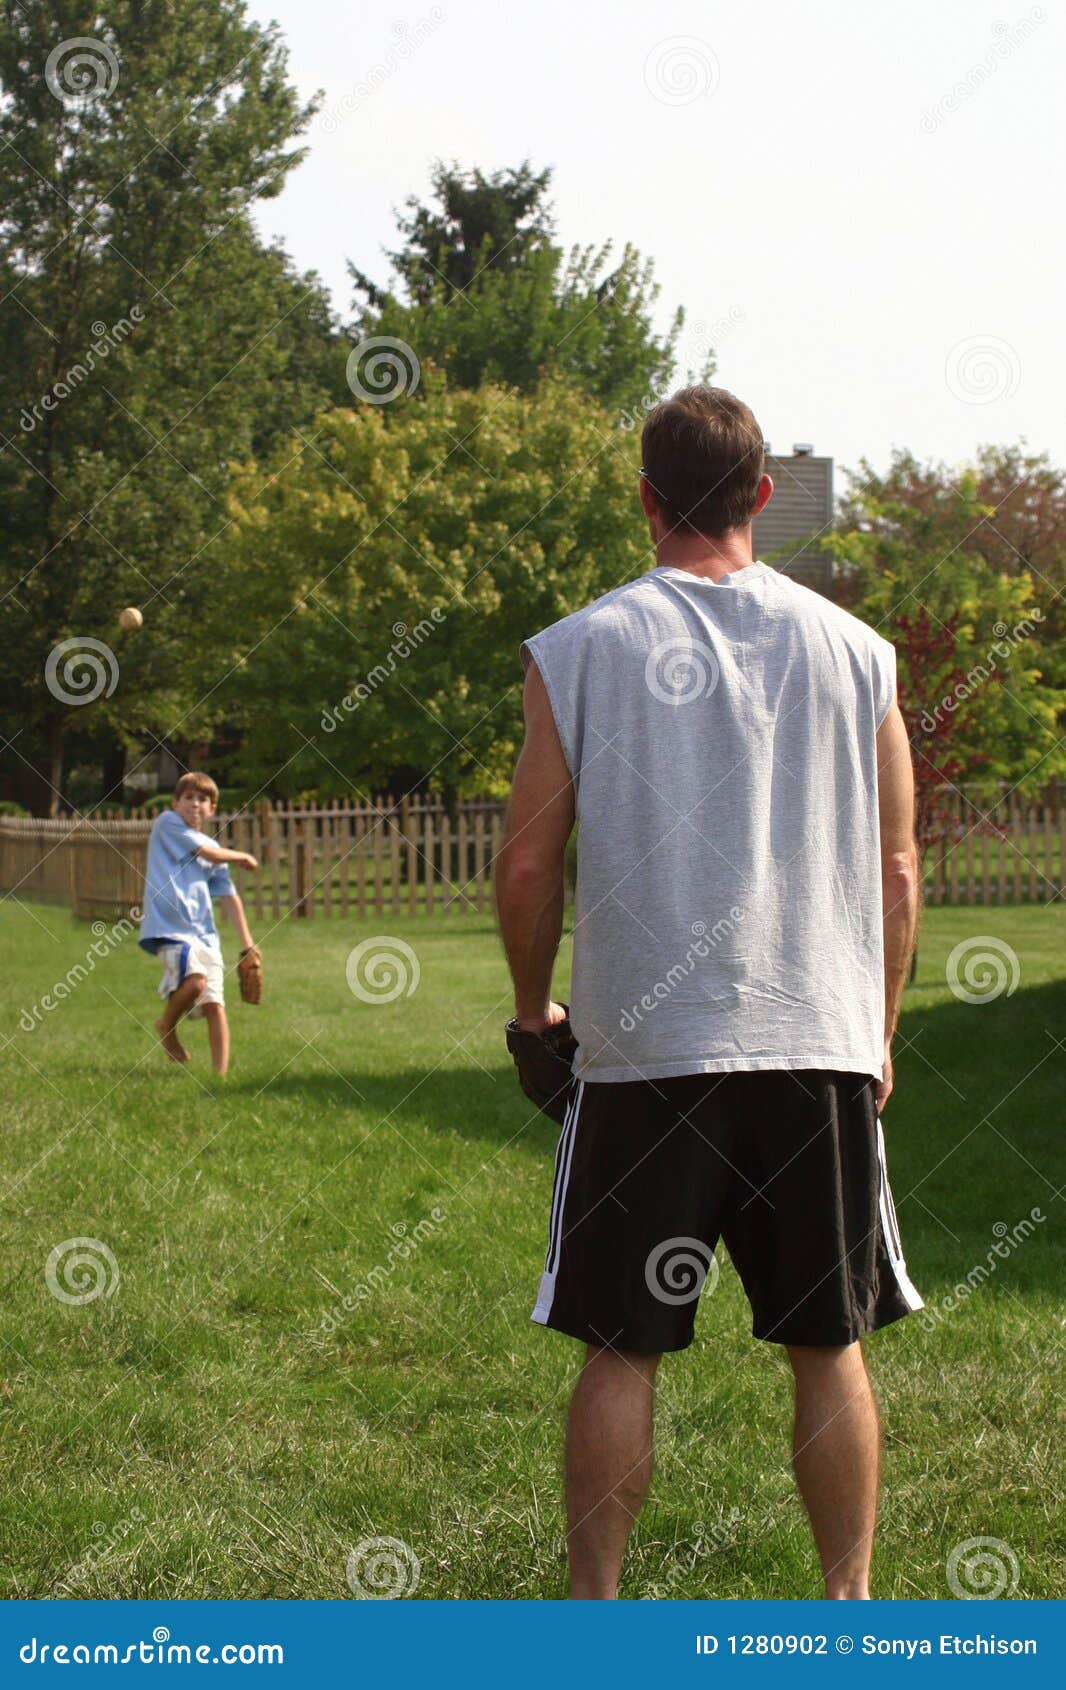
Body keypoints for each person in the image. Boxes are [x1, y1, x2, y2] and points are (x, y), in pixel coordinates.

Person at [495, 386, 922, 1601]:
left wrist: (535, 1017)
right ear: (762, 496)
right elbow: (897, 870)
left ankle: (596, 1618)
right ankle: (845, 1611)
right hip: (816, 1040)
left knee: (621, 1347)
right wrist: (877, 1032)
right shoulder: (861, 655)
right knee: (826, 1346)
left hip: (642, 1054)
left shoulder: (579, 647)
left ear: (645, 497)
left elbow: (528, 859)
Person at [139, 771, 259, 1076]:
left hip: (205, 935)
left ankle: (220, 1078)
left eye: (203, 799)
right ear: (175, 802)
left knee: (214, 1005)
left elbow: (230, 898)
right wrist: (241, 855)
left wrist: (247, 943)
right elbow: (207, 853)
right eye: (189, 797)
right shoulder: (168, 823)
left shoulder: (214, 850)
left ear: (212, 809)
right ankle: (167, 1026)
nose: (195, 804)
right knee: (195, 982)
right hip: (168, 928)